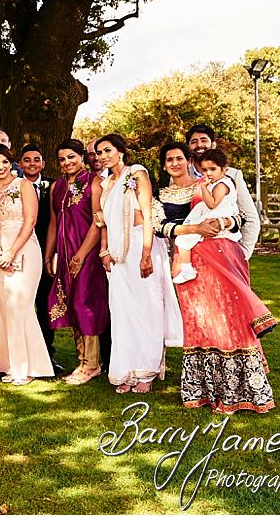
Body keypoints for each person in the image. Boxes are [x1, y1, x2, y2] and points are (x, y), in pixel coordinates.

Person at [156, 141, 276, 413]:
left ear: (188, 161)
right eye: (169, 159)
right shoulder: (160, 193)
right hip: (188, 259)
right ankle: (203, 389)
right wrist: (192, 228)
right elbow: (157, 226)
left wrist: (228, 228)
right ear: (164, 165)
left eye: (179, 158)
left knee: (227, 316)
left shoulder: (216, 180)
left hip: (219, 253)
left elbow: (242, 215)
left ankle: (237, 391)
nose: (175, 163)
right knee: (199, 321)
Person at [92, 134, 182, 393]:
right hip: (117, 256)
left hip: (141, 250)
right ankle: (126, 369)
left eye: (107, 150)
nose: (103, 156)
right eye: (99, 153)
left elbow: (148, 215)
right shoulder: (105, 183)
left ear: (120, 152)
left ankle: (146, 371)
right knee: (122, 312)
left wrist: (145, 254)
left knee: (147, 308)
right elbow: (103, 223)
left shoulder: (137, 173)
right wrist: (104, 251)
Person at [0, 145, 54, 385]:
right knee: (6, 307)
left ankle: (27, 367)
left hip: (24, 248)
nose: (1, 167)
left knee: (21, 306)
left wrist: (12, 252)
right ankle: (9, 365)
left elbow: (31, 220)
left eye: (5, 162)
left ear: (11, 163)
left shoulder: (24, 185)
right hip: (0, 253)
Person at [44, 140, 109, 385]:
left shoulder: (94, 183)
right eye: (62, 159)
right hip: (64, 254)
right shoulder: (56, 187)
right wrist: (49, 255)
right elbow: (53, 223)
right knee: (71, 304)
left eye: (71, 157)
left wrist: (80, 256)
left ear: (82, 156)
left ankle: (91, 364)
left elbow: (97, 222)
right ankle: (82, 361)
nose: (67, 162)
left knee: (84, 304)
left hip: (87, 254)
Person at [185, 124, 260, 258]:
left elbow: (251, 217)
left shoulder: (232, 175)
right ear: (188, 147)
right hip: (191, 252)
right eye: (194, 142)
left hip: (225, 250)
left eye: (204, 140)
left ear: (213, 144)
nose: (199, 145)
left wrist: (244, 252)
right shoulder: (181, 177)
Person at [172, 147, 241, 284]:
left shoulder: (222, 184)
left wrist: (203, 188)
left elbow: (212, 204)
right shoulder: (217, 182)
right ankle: (186, 268)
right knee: (183, 238)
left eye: (213, 169)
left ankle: (187, 269)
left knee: (183, 240)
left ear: (224, 168)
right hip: (212, 215)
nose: (208, 173)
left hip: (215, 217)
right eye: (204, 170)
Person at [19, 144, 58, 371]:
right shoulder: (14, 186)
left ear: (43, 164)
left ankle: (47, 353)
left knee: (45, 303)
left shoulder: (53, 185)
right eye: (27, 160)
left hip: (46, 250)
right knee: (21, 303)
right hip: (22, 251)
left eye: (36, 160)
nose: (32, 163)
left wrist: (52, 253)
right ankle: (24, 353)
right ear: (21, 164)